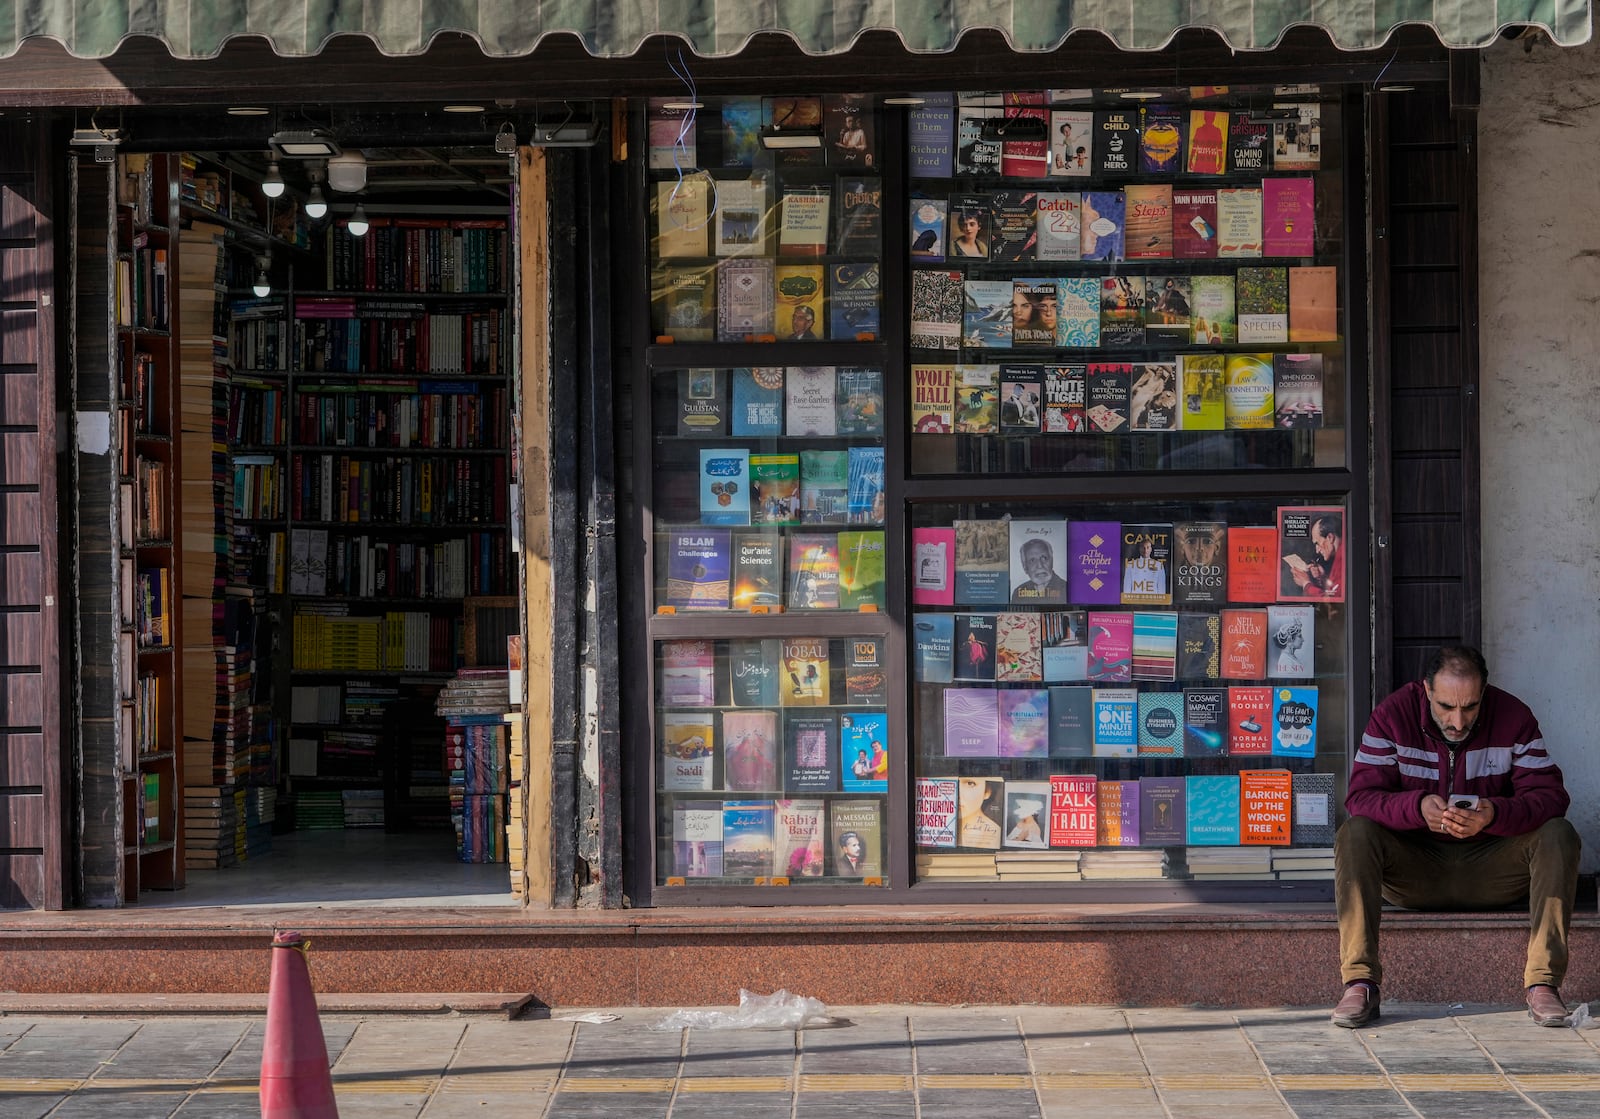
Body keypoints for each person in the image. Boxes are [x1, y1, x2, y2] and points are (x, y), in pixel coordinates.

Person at [1331, 646, 1581, 1029]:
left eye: (1470, 707)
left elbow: (1551, 798)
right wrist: (1417, 808)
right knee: (1355, 833)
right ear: (1427, 690)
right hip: (1414, 871)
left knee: (1559, 834)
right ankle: (1360, 982)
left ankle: (1543, 984)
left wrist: (1494, 814)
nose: (1458, 721)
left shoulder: (1514, 716)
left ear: (1485, 693)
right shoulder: (1392, 716)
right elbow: (1360, 799)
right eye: (1447, 706)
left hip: (1493, 870)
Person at [1290, 513, 1343, 599]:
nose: (1317, 550)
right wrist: (1323, 578)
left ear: (1330, 537)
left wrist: (1306, 583)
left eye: (1317, 543)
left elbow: (1332, 601)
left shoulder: (1343, 559)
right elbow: (1337, 591)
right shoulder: (1342, 555)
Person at [1012, 537, 1067, 602]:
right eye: (1032, 560)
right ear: (1025, 567)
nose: (1040, 566)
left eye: (1044, 558)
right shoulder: (1018, 593)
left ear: (1052, 561)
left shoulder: (1067, 589)